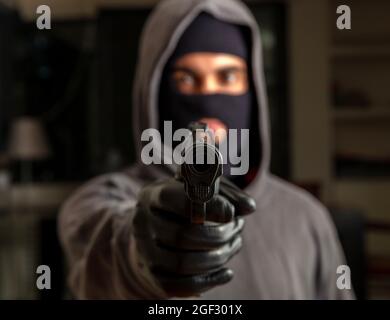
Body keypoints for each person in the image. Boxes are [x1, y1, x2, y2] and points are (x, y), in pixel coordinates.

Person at [58, 0, 354, 299]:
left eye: (227, 77)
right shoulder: (96, 202)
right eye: (185, 79)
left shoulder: (305, 218)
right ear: (154, 91)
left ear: (253, 92)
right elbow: (113, 251)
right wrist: (148, 249)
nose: (207, 98)